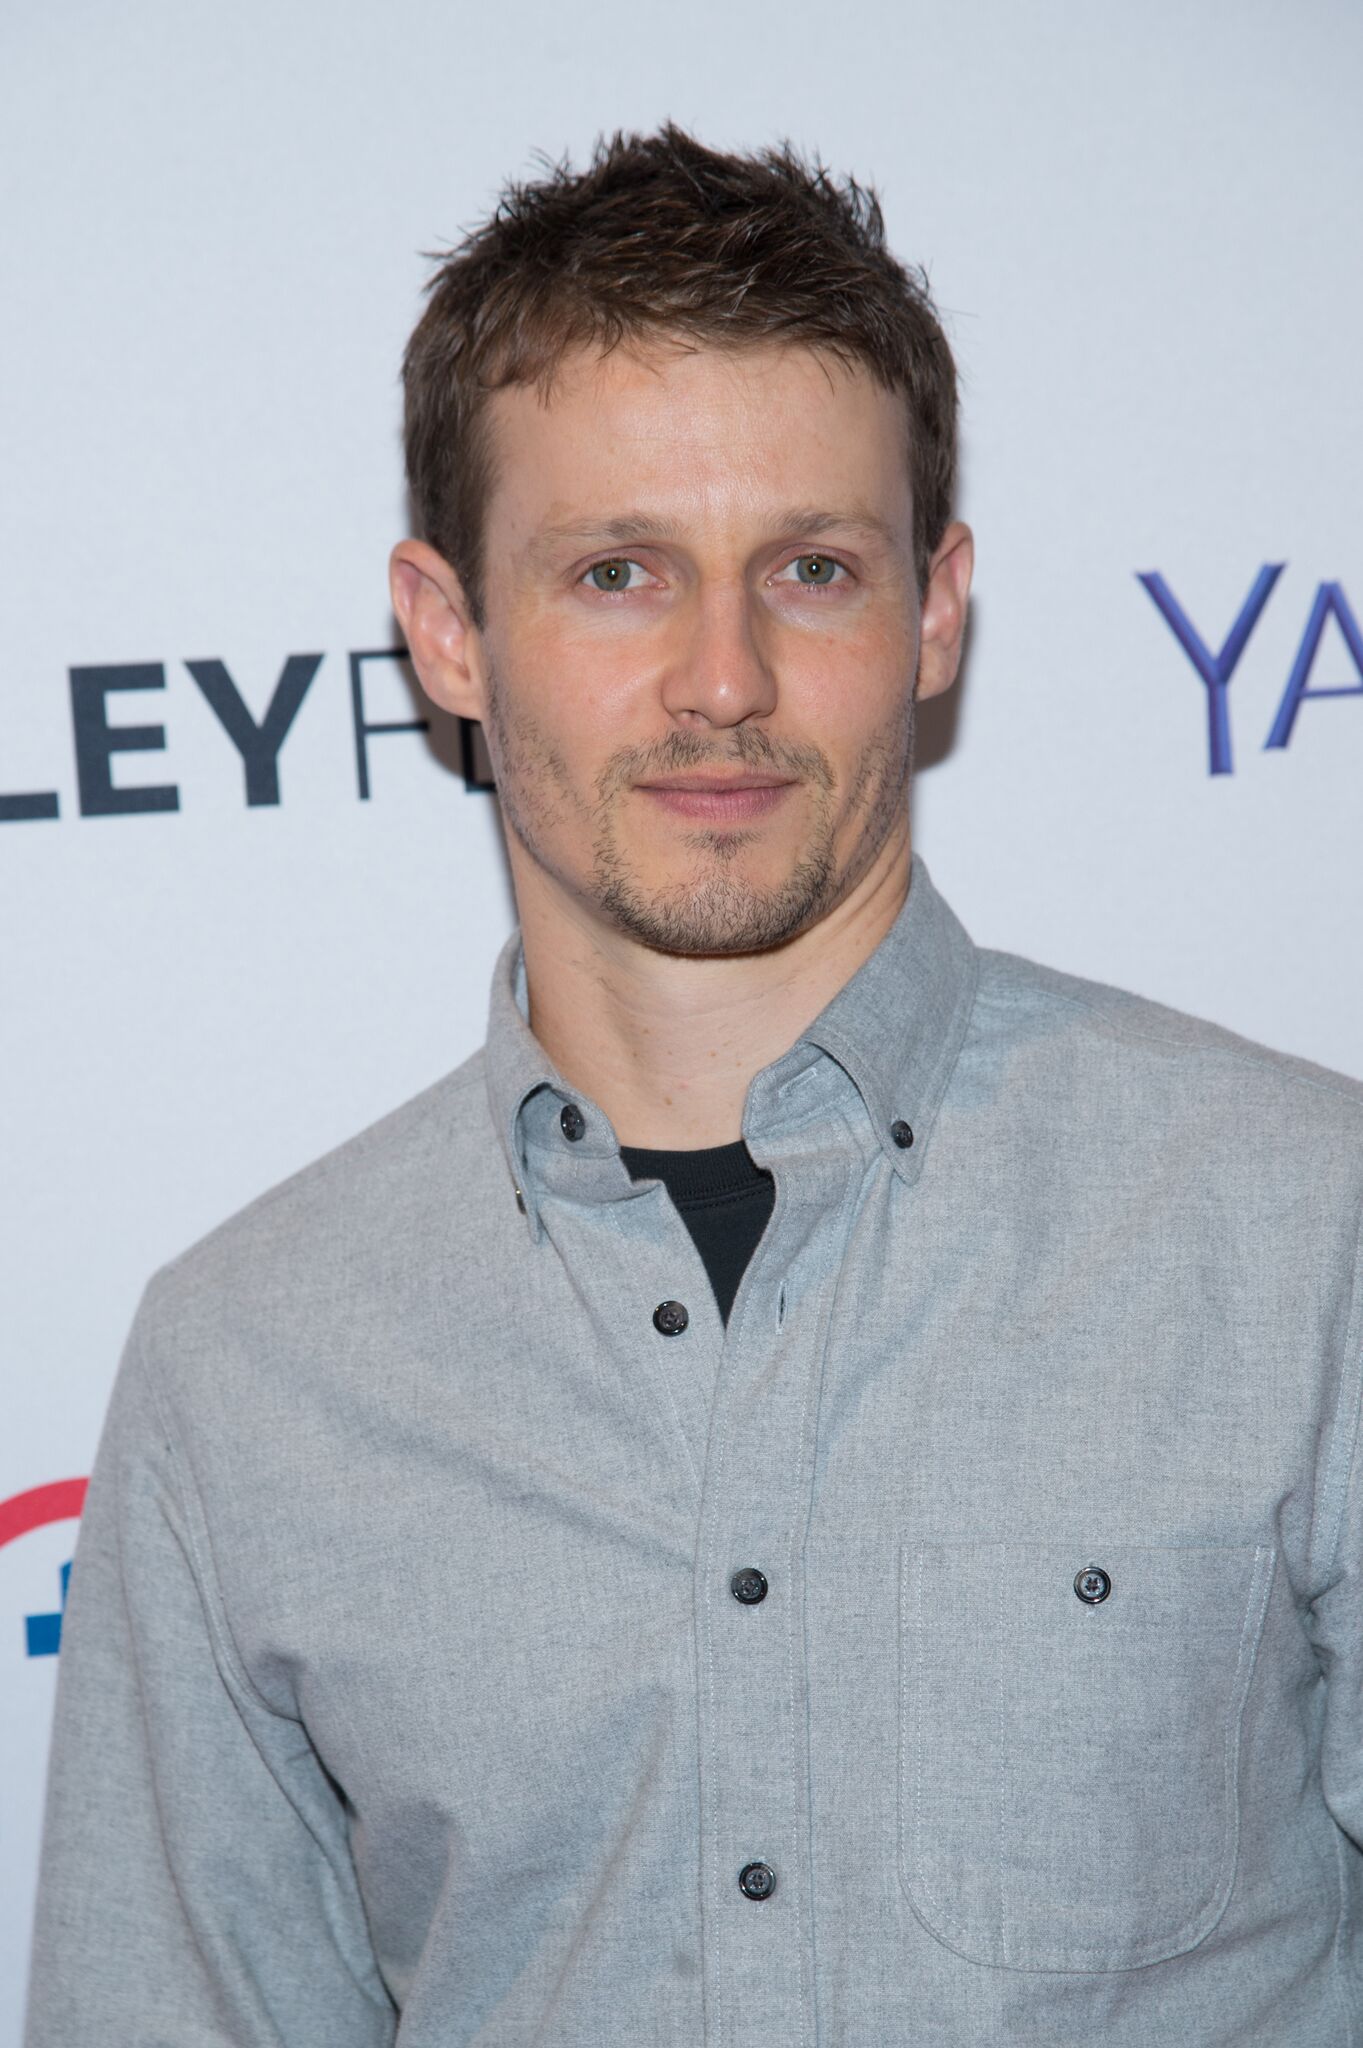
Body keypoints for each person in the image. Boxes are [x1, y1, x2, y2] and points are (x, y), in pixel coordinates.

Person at [22, 124, 1363, 2048]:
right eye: (619, 573)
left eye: (811, 568)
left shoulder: (1303, 1230)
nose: (722, 678)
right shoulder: (249, 1371)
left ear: (935, 608)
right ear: (448, 629)